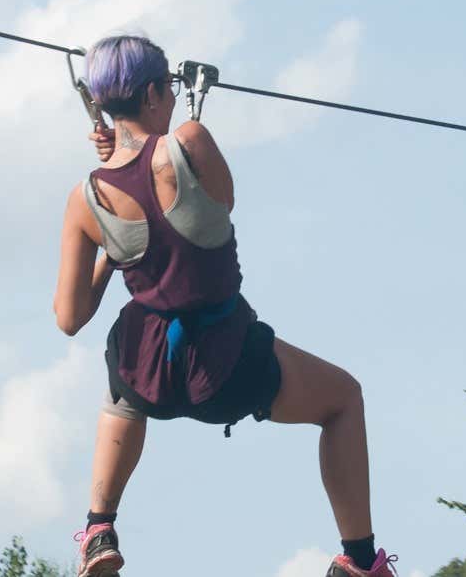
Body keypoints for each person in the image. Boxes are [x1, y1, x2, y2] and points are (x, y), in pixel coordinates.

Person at [51, 35, 397, 577]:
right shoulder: (189, 138)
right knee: (343, 400)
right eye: (167, 87)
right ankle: (358, 561)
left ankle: (99, 526)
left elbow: (70, 318)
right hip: (227, 365)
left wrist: (113, 248)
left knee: (125, 357)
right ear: (149, 94)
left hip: (150, 375)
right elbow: (221, 200)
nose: (171, 96)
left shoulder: (86, 197)